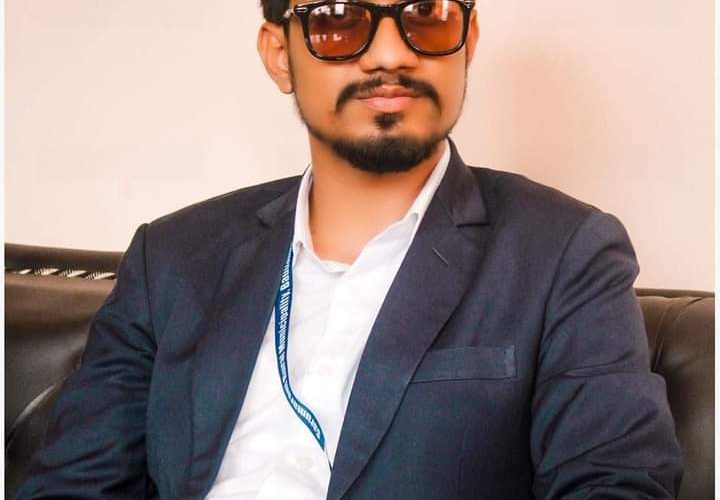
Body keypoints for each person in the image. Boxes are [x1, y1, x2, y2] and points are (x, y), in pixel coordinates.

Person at [16, 1, 683, 499]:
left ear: (468, 41)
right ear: (280, 54)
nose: (390, 54)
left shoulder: (564, 252)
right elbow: (74, 485)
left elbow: (614, 484)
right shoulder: (173, 257)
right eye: (338, 21)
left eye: (427, 17)